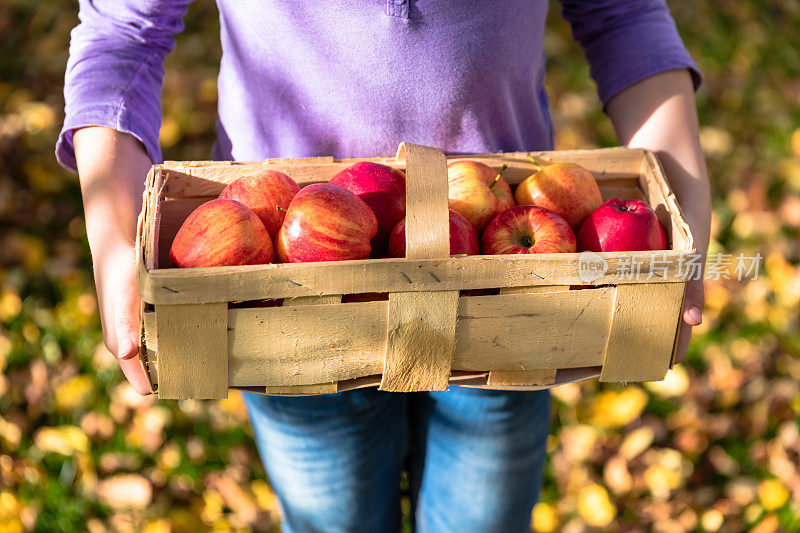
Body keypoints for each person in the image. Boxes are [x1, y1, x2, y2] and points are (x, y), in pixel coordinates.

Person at [57, 1, 710, 531]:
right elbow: (122, 30)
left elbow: (621, 14)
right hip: (286, 298)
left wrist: (685, 210)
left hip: (505, 290)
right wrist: (112, 235)